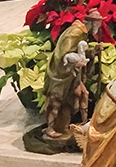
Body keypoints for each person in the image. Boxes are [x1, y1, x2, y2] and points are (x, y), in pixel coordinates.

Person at [43, 9, 102, 140]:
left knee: (83, 94)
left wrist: (92, 52)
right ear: (92, 23)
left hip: (74, 75)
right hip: (62, 73)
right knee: (56, 100)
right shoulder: (75, 33)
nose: (99, 27)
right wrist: (76, 64)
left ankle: (84, 124)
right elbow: (64, 54)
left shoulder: (82, 33)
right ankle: (50, 128)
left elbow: (79, 53)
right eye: (98, 23)